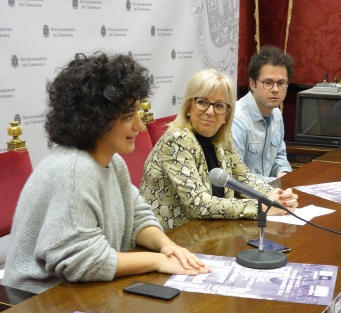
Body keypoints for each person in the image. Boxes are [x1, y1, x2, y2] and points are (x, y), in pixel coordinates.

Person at [4, 52, 209, 295]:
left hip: (81, 289)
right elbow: (84, 261)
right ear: (95, 120)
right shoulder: (74, 171)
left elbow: (138, 218)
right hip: (36, 301)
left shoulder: (114, 163)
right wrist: (156, 261)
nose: (139, 125)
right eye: (127, 116)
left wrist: (167, 247)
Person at [140, 68, 298, 230]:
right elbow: (198, 203)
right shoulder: (177, 140)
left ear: (227, 114)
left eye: (219, 105)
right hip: (171, 237)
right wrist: (261, 206)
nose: (210, 111)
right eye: (202, 102)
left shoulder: (222, 138)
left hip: (209, 232)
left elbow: (244, 178)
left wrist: (278, 197)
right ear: (188, 107)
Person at [232, 46, 294, 183]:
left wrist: (284, 174)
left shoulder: (276, 114)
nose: (276, 89)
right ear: (252, 84)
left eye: (281, 83)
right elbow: (236, 176)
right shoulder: (237, 120)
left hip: (270, 192)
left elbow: (279, 155)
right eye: (268, 83)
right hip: (243, 198)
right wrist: (276, 184)